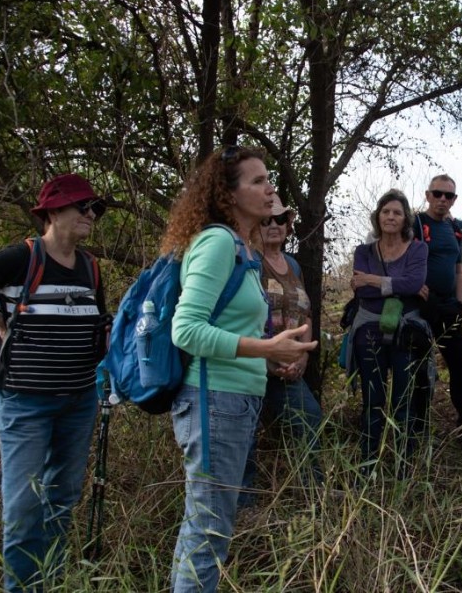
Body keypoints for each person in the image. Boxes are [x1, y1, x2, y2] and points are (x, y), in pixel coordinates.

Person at [163, 146, 317, 592]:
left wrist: (272, 351)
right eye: (257, 181)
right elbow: (186, 331)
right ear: (228, 196)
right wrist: (266, 348)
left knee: (205, 528)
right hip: (215, 400)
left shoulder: (241, 247)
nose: (270, 189)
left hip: (233, 401)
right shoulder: (216, 242)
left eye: (268, 179)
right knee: (208, 532)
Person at [0, 174, 108, 592]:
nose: (92, 215)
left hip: (79, 402)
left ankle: (49, 584)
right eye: (83, 207)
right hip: (24, 403)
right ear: (54, 212)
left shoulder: (91, 268)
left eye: (96, 209)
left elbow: (98, 330)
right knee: (22, 510)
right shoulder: (22, 258)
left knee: (61, 502)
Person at [241, 194, 325, 506]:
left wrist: (302, 354)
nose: (274, 225)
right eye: (266, 220)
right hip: (253, 364)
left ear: (288, 225)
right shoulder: (247, 260)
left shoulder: (292, 264)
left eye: (280, 219)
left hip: (290, 368)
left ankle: (312, 500)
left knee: (309, 417)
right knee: (245, 435)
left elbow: (306, 313)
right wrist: (268, 357)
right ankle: (243, 509)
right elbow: (240, 314)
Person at [347, 189, 431, 478]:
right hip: (368, 329)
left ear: (405, 218)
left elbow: (415, 282)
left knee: (403, 401)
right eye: (386, 211)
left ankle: (402, 469)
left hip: (406, 330)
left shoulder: (418, 249)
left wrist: (373, 279)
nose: (391, 217)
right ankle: (368, 466)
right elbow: (366, 289)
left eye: (397, 212)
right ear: (378, 216)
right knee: (373, 400)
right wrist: (397, 284)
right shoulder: (363, 251)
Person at [412, 175, 462, 436]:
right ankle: (418, 429)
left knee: (461, 364)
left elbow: (457, 267)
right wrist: (412, 285)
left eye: (448, 196)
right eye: (437, 194)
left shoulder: (456, 228)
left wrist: (461, 301)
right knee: (419, 366)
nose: (442, 199)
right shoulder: (415, 223)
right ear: (428, 195)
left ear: (454, 199)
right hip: (421, 306)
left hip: (450, 305)